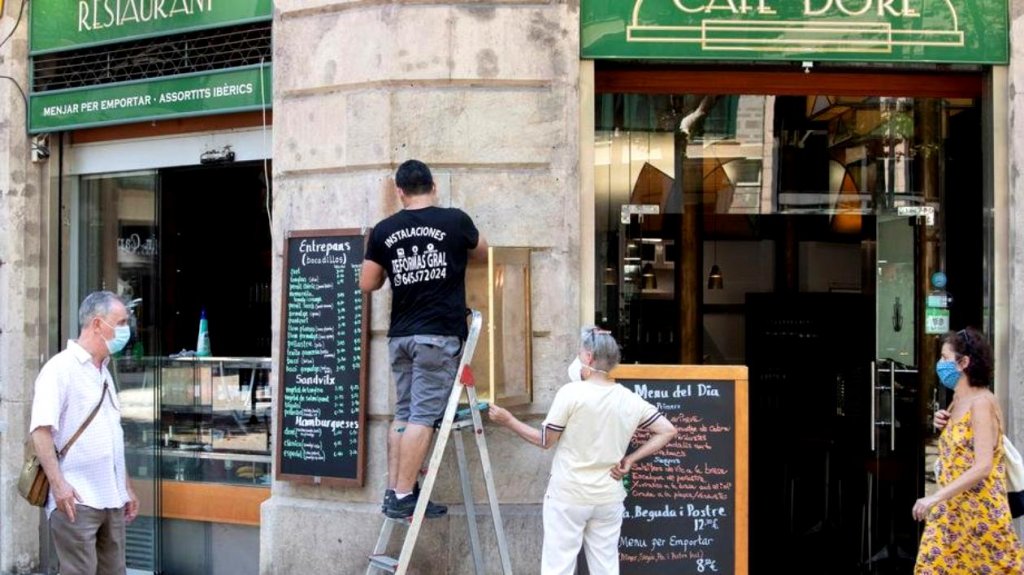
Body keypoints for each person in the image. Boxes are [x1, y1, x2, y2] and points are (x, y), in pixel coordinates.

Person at [488, 327, 677, 575]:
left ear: (588, 357)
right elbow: (668, 430)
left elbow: (546, 440)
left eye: (579, 353)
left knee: (559, 567)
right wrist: (630, 459)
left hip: (568, 494)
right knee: (606, 567)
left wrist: (509, 420)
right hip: (608, 496)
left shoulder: (571, 393)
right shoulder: (629, 399)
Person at [360, 159, 488, 518]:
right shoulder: (455, 220)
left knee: (403, 413)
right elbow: (484, 253)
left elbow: (367, 283)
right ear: (434, 187)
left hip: (401, 336)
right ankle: (403, 495)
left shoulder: (384, 230)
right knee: (423, 417)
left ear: (399, 192)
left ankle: (393, 491)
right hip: (437, 336)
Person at [30, 291, 139, 575]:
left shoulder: (103, 370)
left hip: (111, 498)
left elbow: (111, 434)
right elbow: (40, 431)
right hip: (77, 499)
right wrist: (59, 485)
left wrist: (125, 487)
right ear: (97, 324)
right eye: (121, 321)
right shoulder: (60, 369)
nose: (126, 329)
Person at [913, 327, 1024, 573]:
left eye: (945, 358)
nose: (940, 364)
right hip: (952, 512)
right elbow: (959, 449)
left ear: (964, 362)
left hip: (980, 514)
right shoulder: (957, 400)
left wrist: (934, 497)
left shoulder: (982, 402)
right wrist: (941, 423)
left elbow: (983, 465)